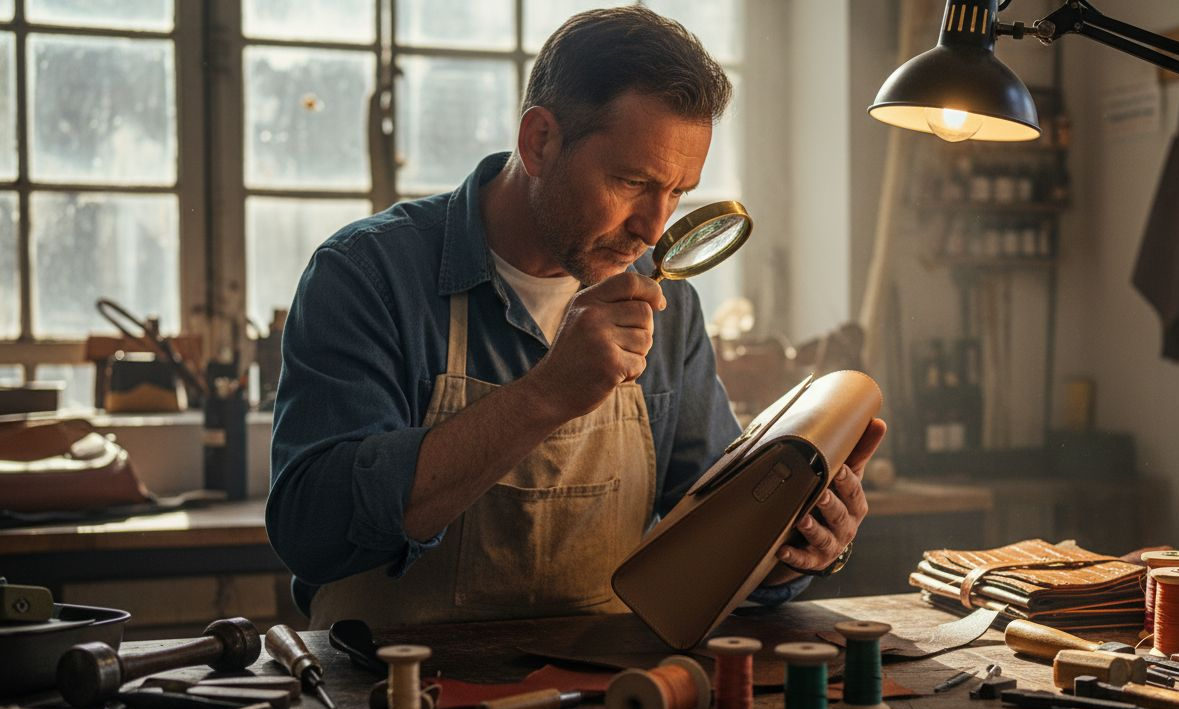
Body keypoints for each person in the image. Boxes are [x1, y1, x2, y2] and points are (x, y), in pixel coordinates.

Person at [266, 6, 886, 629]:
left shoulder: (665, 307)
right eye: (631, 181)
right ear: (539, 141)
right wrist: (546, 396)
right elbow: (312, 531)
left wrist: (795, 546)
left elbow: (708, 542)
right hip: (388, 700)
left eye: (677, 192)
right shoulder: (367, 274)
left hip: (600, 702)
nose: (653, 227)